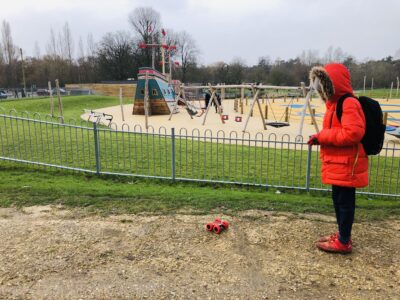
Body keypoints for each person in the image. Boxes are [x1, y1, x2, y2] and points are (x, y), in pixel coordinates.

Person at [308, 63, 368, 254]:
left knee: (344, 203)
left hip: (347, 164)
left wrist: (323, 136)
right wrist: (319, 138)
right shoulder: (333, 104)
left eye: (321, 82)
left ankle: (343, 241)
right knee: (339, 200)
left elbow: (353, 133)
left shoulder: (349, 103)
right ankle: (343, 235)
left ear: (331, 83)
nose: (318, 87)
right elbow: (336, 131)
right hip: (338, 163)